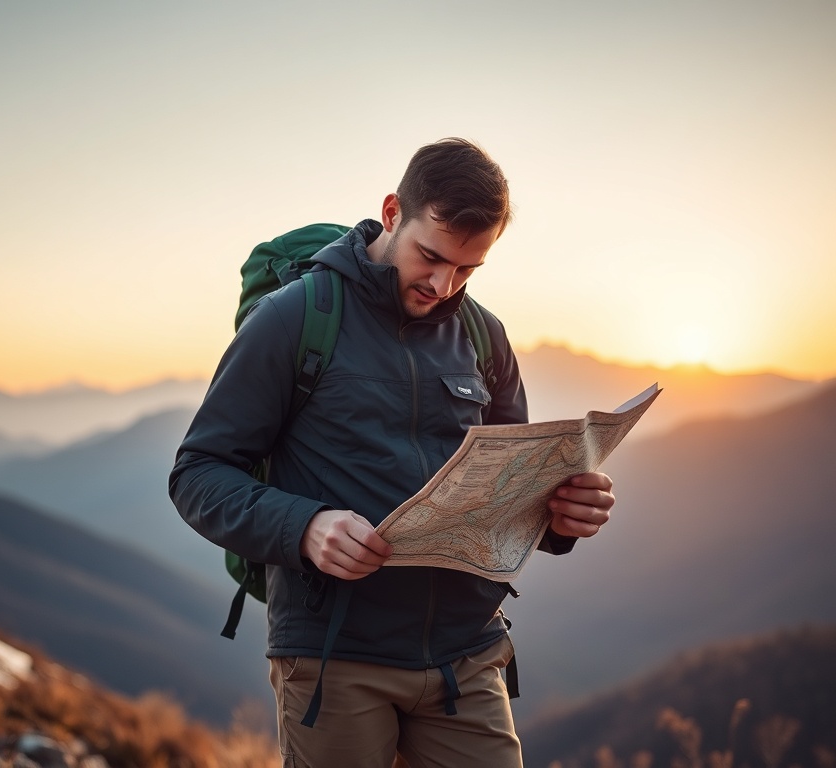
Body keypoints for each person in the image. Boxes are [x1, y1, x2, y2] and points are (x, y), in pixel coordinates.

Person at [169, 138, 615, 768]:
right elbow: (197, 475)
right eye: (429, 257)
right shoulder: (296, 318)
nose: (443, 284)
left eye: (466, 269)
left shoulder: (484, 336)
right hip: (334, 660)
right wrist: (306, 527)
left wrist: (561, 514)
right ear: (390, 212)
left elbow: (507, 489)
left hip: (468, 657)